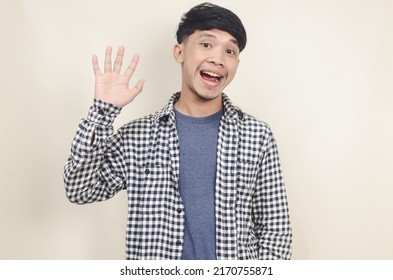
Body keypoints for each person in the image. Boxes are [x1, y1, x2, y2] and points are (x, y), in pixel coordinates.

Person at [64, 2, 292, 260]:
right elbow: (79, 189)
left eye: (230, 50)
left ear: (237, 62)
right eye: (206, 44)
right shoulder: (137, 137)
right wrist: (103, 112)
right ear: (179, 51)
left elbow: (276, 231)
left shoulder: (257, 136)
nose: (218, 59)